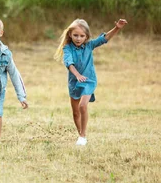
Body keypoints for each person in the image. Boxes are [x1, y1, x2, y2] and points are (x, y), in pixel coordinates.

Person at [54, 18, 128, 146]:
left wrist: (117, 28)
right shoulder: (67, 48)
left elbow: (104, 39)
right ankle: (81, 135)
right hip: (74, 82)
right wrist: (77, 75)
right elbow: (69, 63)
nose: (78, 38)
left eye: (82, 36)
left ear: (86, 36)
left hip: (89, 80)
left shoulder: (89, 45)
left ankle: (82, 136)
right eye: (75, 35)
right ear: (70, 34)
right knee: (76, 112)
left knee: (83, 106)